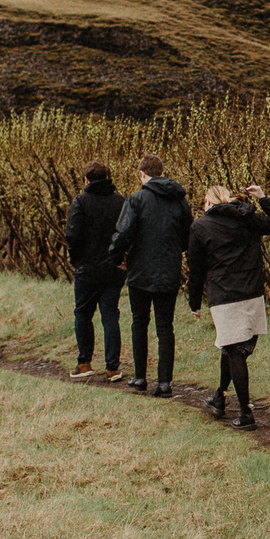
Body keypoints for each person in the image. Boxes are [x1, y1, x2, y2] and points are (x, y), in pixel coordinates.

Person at [186, 182, 270, 429]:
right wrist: (263, 197)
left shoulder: (200, 226)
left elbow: (196, 270)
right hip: (251, 291)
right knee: (232, 349)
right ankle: (220, 395)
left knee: (234, 351)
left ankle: (245, 412)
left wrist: (194, 302)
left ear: (207, 202)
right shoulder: (245, 218)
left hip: (224, 295)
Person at [108, 153, 191, 397]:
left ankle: (140, 377)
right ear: (162, 173)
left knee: (139, 323)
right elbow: (187, 236)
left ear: (142, 175)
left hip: (140, 271)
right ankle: (164, 382)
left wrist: (117, 257)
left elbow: (123, 233)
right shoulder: (179, 201)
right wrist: (172, 252)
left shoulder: (136, 200)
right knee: (165, 327)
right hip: (168, 269)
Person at [63, 161, 126, 381]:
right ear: (108, 177)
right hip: (113, 269)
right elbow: (126, 232)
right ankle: (113, 367)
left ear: (86, 180)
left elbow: (72, 235)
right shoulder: (120, 201)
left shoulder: (81, 201)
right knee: (110, 316)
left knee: (83, 315)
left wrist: (75, 260)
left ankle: (84, 363)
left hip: (87, 270)